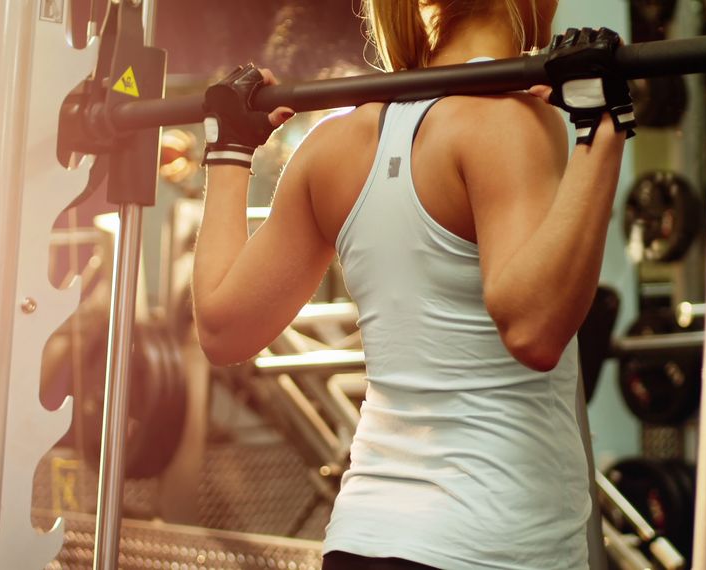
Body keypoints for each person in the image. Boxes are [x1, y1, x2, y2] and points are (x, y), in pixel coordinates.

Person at [192, 0, 634, 567]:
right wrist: (602, 127)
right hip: (490, 546)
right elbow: (535, 331)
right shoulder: (507, 121)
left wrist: (227, 150)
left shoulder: (333, 143)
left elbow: (223, 328)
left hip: (361, 540)